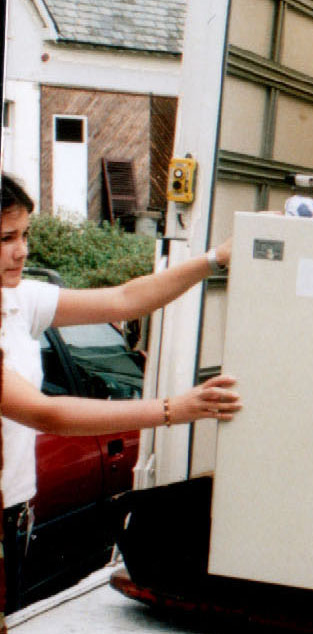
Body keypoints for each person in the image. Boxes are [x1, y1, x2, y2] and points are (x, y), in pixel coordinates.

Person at [1, 172, 236, 609]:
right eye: (6, 238)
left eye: (25, 234)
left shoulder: (18, 299)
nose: (22, 250)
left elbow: (126, 300)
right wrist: (173, 409)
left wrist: (212, 260)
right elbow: (43, 413)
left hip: (14, 515)